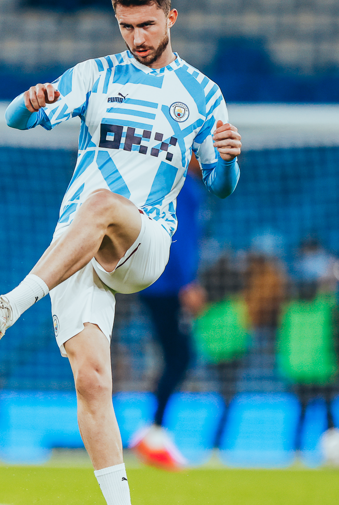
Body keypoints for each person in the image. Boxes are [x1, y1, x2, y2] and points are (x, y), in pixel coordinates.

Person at [0, 0, 242, 505]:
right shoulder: (93, 76)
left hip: (146, 242)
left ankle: (10, 305)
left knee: (101, 203)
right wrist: (28, 102)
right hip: (76, 247)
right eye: (126, 27)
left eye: (146, 25)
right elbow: (16, 120)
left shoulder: (204, 95)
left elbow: (220, 186)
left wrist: (229, 162)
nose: (137, 38)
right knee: (92, 380)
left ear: (171, 18)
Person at [130, 154, 206, 471]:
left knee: (174, 355)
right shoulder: (184, 186)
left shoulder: (167, 183)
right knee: (180, 356)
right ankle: (154, 431)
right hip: (167, 285)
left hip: (154, 282)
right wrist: (186, 284)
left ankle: (154, 430)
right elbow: (178, 238)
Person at [278, 239, 339, 451]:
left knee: (302, 414)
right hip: (324, 368)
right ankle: (334, 450)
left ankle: (296, 453)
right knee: (328, 413)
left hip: (298, 368)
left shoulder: (289, 303)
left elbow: (282, 339)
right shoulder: (331, 303)